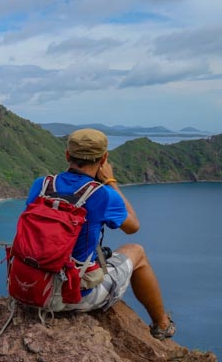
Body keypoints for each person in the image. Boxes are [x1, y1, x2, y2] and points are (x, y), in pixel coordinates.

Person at [25, 128, 175, 340]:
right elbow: (133, 226)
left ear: (67, 155)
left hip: (29, 287)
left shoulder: (41, 184)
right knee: (137, 252)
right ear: (104, 158)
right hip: (72, 296)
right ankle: (162, 325)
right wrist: (110, 181)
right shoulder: (102, 194)